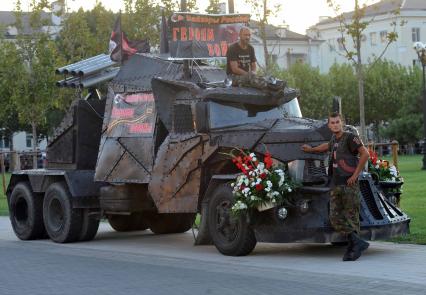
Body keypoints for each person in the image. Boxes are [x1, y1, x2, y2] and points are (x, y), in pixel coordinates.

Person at [301, 112, 370, 261]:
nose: (335, 125)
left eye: (337, 122)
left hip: (348, 183)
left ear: (342, 123)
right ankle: (357, 243)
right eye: (332, 123)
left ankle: (353, 249)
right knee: (335, 217)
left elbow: (365, 154)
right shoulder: (334, 139)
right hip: (336, 183)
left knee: (351, 217)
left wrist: (355, 175)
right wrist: (311, 150)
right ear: (329, 125)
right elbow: (326, 146)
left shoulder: (350, 138)